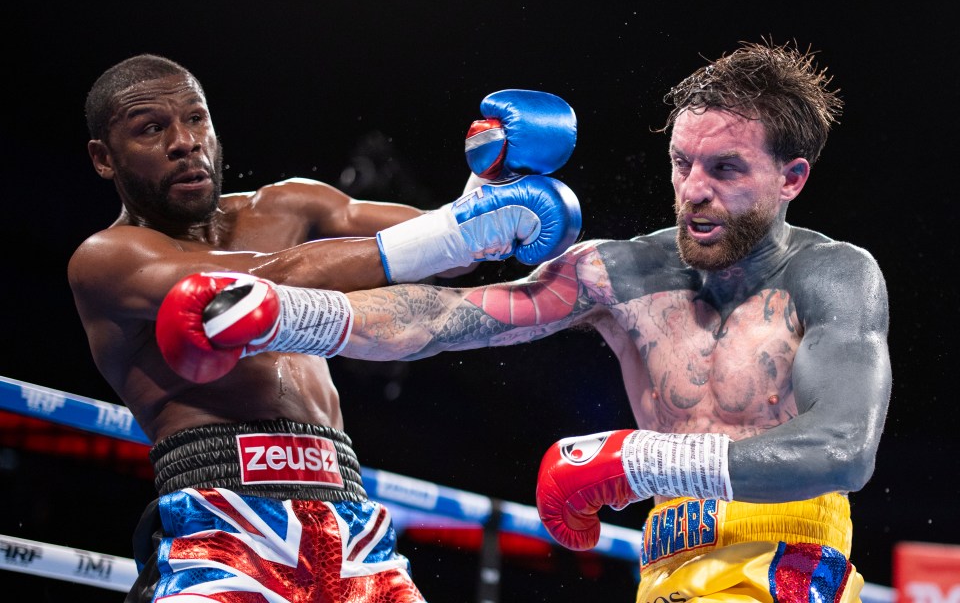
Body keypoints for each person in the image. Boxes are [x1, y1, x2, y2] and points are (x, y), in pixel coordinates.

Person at [160, 40, 892, 603]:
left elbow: (845, 447)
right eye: (681, 164)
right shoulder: (621, 273)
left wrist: (638, 461)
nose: (694, 191)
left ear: (791, 177)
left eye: (725, 170)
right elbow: (449, 317)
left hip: (790, 570)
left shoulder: (831, 276)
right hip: (666, 572)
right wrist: (291, 316)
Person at [67, 52, 582, 602]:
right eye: (151, 129)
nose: (184, 141)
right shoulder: (106, 259)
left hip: (352, 527)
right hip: (223, 523)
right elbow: (258, 286)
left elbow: (445, 249)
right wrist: (465, 230)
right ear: (104, 158)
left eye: (196, 118)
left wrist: (491, 182)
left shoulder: (292, 205)